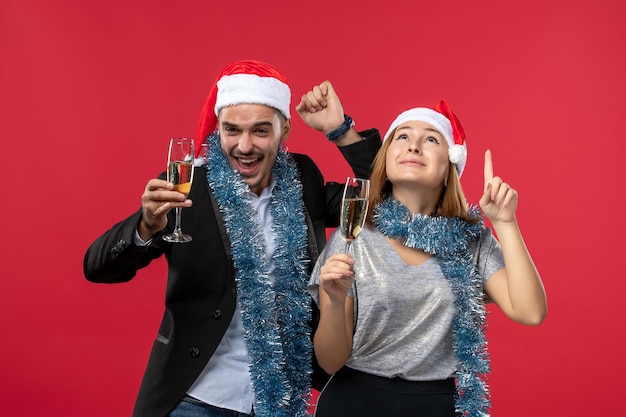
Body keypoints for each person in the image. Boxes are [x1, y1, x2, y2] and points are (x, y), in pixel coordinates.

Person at [83, 60, 381, 417]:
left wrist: (341, 131)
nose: (244, 146)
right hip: (194, 395)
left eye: (260, 131)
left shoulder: (304, 177)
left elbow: (386, 201)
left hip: (279, 399)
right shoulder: (187, 184)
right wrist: (146, 225)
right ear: (218, 130)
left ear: (284, 130)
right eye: (232, 130)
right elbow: (98, 268)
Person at [308, 100, 547, 417]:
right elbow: (330, 361)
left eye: (431, 139)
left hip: (436, 404)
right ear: (386, 161)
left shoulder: (471, 242)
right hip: (354, 401)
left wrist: (505, 224)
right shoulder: (353, 235)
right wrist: (335, 302)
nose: (414, 146)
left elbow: (530, 311)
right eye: (402, 136)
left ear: (450, 167)